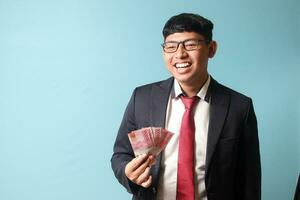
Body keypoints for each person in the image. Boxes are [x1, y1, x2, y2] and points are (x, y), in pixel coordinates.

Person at [111, 13, 261, 200]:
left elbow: (250, 180)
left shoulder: (240, 107)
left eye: (190, 45)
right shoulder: (142, 98)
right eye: (171, 47)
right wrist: (128, 172)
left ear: (211, 49)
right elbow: (120, 154)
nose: (180, 54)